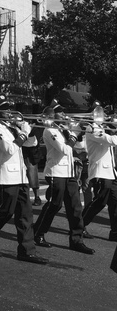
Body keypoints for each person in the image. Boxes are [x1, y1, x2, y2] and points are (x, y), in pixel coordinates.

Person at [0, 93, 48, 265]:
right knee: (5, 212)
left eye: (10, 108)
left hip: (21, 176)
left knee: (25, 214)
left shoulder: (13, 127)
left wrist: (31, 130)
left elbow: (31, 144)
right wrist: (22, 134)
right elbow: (9, 149)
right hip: (7, 176)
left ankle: (26, 251)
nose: (10, 112)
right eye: (5, 109)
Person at [33, 105, 94, 254]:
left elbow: (77, 147)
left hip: (69, 171)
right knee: (55, 204)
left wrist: (79, 132)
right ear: (53, 115)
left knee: (75, 207)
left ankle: (76, 240)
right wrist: (74, 134)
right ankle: (38, 233)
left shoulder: (63, 130)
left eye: (62, 112)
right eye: (59, 113)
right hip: (56, 172)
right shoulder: (49, 130)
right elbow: (65, 149)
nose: (63, 115)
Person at [81, 108, 117, 241]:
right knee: (100, 202)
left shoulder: (104, 127)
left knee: (115, 202)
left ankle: (114, 232)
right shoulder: (92, 129)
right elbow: (112, 140)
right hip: (100, 171)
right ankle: (79, 226)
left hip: (111, 172)